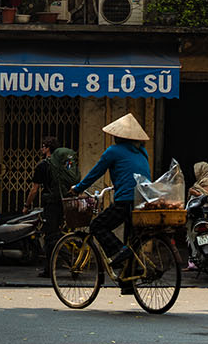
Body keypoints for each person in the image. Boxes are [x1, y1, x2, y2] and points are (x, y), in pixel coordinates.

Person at [71, 112, 150, 288]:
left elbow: (96, 172)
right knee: (132, 240)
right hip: (144, 200)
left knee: (97, 226)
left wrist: (78, 188)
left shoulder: (113, 151)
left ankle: (120, 252)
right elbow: (135, 173)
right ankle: (128, 282)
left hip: (126, 200)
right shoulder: (142, 151)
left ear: (118, 137)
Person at [27, 136, 75, 277]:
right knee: (54, 235)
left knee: (51, 237)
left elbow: (34, 189)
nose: (41, 149)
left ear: (48, 148)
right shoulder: (62, 164)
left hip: (51, 204)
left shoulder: (43, 165)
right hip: (63, 203)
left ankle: (72, 262)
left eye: (43, 146)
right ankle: (50, 268)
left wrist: (26, 205)